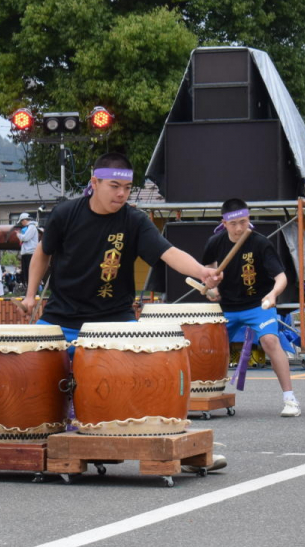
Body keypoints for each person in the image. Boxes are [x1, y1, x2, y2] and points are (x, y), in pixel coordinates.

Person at [22, 152, 226, 471]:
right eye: (114, 186)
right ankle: (49, 439)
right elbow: (41, 255)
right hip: (63, 318)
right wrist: (30, 294)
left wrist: (202, 271)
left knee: (144, 381)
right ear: (94, 183)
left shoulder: (134, 220)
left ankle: (167, 445)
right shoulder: (65, 214)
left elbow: (168, 253)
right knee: (32, 373)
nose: (121, 194)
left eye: (127, 188)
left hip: (115, 322)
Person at [203, 199, 301, 417]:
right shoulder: (215, 242)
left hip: (258, 305)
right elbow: (208, 270)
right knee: (207, 348)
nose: (239, 228)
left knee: (270, 340)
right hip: (226, 308)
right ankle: (203, 396)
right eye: (234, 223)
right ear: (224, 223)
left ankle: (290, 399)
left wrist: (273, 294)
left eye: (244, 222)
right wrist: (212, 288)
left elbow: (281, 276)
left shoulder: (260, 243)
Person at [14, 212, 40, 293]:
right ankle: (29, 290)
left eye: (21, 221)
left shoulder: (31, 227)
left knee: (30, 273)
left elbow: (25, 238)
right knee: (26, 273)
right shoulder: (30, 227)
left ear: (24, 220)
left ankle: (32, 291)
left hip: (30, 253)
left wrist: (18, 234)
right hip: (26, 253)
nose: (21, 223)